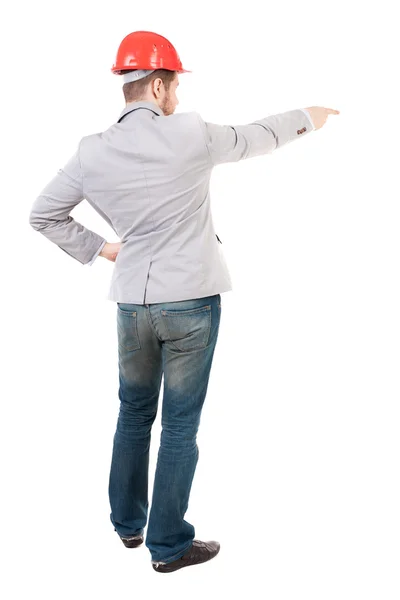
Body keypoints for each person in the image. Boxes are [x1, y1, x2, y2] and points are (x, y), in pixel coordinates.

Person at [28, 30, 340, 574]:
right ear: (157, 84)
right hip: (191, 303)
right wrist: (310, 115)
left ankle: (127, 525)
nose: (176, 96)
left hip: (133, 306)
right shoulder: (191, 134)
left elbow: (43, 213)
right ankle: (168, 545)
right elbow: (258, 136)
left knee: (132, 414)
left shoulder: (91, 151)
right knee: (178, 426)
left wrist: (103, 249)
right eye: (172, 84)